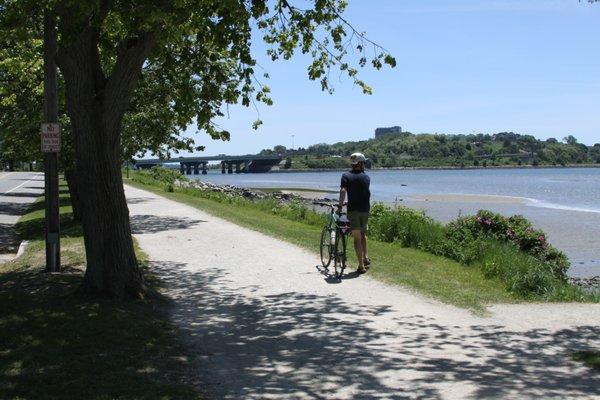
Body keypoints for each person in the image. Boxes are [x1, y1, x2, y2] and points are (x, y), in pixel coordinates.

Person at [338, 152, 371, 274]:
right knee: (363, 234)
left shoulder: (345, 176)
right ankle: (366, 257)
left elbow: (343, 191)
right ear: (361, 163)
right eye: (364, 163)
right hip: (365, 210)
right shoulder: (366, 177)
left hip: (353, 210)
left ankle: (361, 266)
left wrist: (340, 206)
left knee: (356, 238)